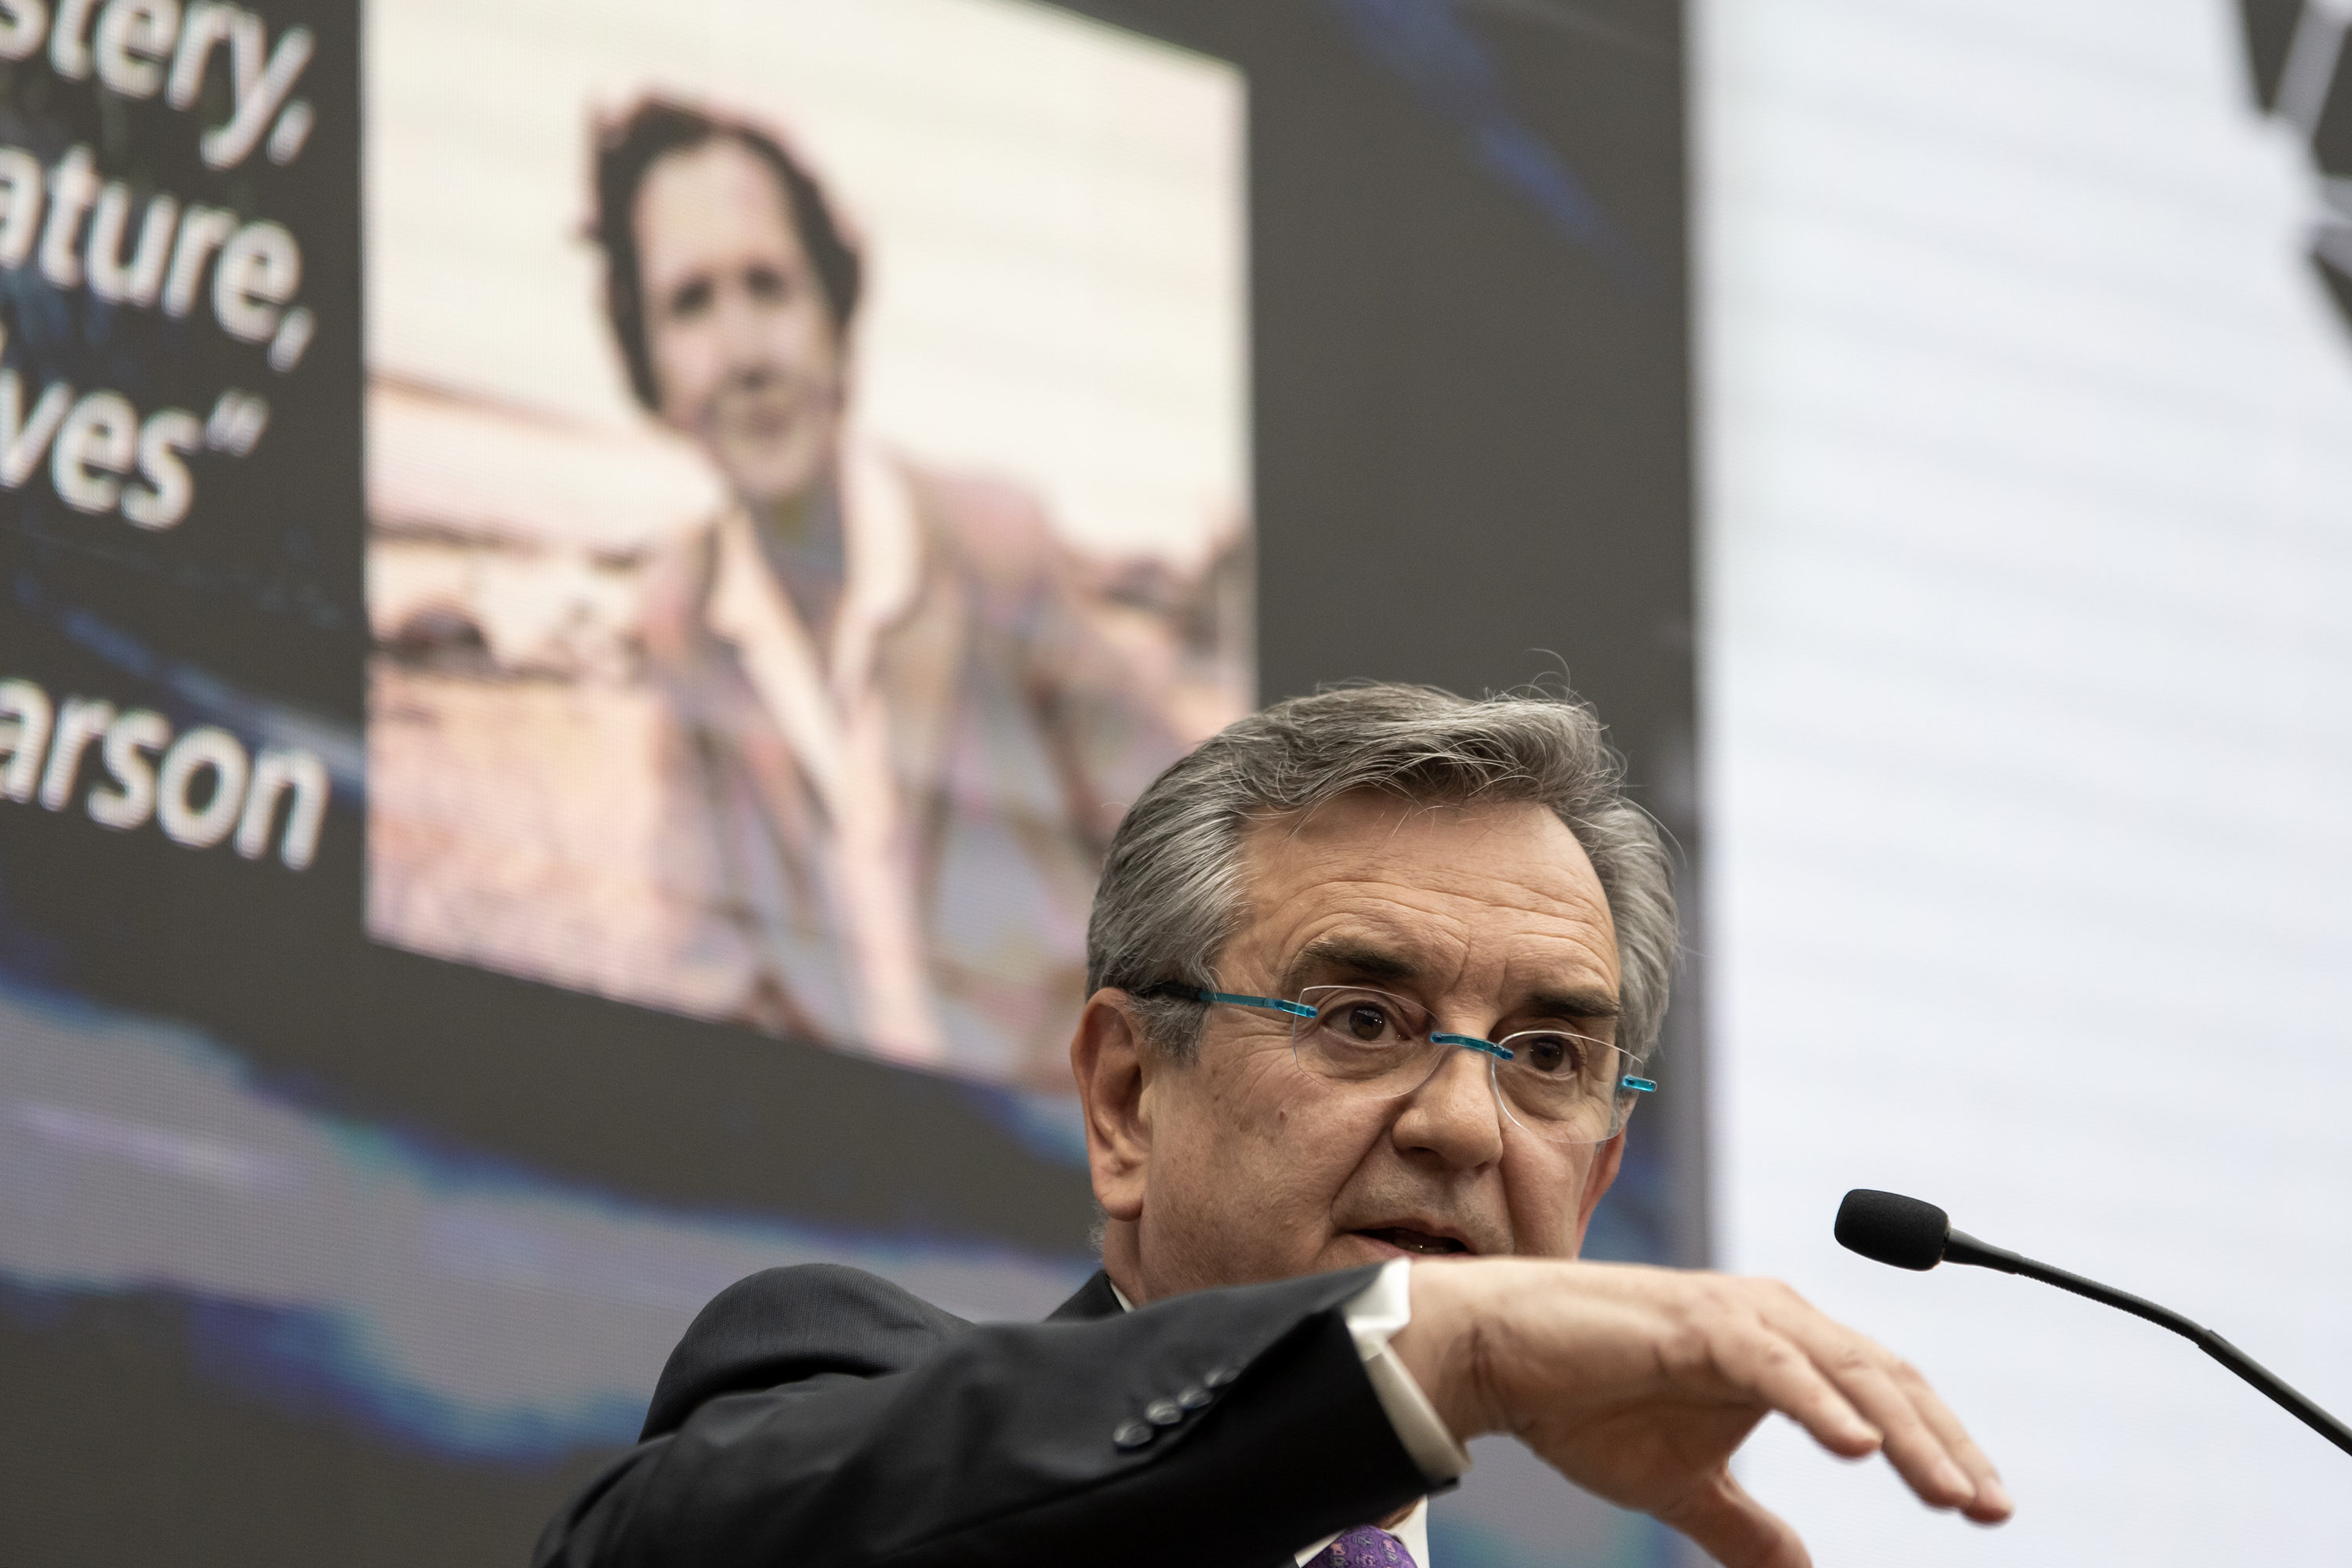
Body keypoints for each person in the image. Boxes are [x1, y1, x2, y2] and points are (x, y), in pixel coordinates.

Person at [532, 684, 2012, 1568]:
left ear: (1604, 1169)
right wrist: (1435, 1348)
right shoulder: (850, 1410)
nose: (1465, 1124)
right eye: (1362, 1019)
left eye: (1550, 1054)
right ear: (1126, 1096)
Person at [592, 97, 1192, 1075]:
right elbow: (710, 960)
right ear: (649, 366)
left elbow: (1197, 848)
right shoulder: (677, 616)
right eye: (690, 303)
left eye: (769, 285)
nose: (743, 351)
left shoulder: (996, 545)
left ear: (835, 314)